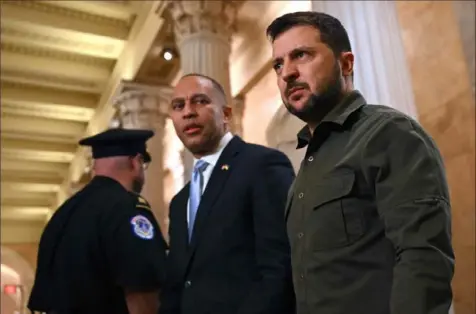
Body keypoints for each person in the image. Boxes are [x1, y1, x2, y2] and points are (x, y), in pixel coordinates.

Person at [266, 11, 455, 314]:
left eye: (301, 55)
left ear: (346, 63)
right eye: (278, 64)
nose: (286, 72)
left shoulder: (389, 133)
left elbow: (423, 260)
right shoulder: (309, 164)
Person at [160, 73, 295, 314]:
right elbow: (177, 284)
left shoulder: (261, 165)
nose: (188, 112)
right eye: (178, 106)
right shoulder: (180, 202)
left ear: (226, 114)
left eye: (200, 101)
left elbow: (280, 269)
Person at [28, 128, 167, 314]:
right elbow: (142, 286)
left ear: (96, 167)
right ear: (135, 162)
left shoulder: (63, 213)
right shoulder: (128, 208)